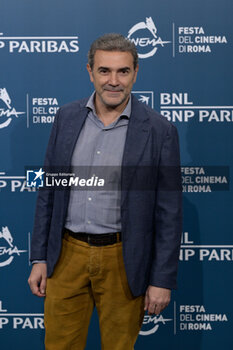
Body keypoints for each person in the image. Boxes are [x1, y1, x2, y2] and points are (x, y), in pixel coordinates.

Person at [28, 33, 182, 350]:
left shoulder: (160, 130)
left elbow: (169, 213)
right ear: (90, 71)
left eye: (123, 71)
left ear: (135, 73)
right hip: (66, 257)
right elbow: (49, 191)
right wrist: (39, 257)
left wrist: (161, 279)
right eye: (104, 71)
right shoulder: (66, 118)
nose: (114, 81)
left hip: (124, 261)